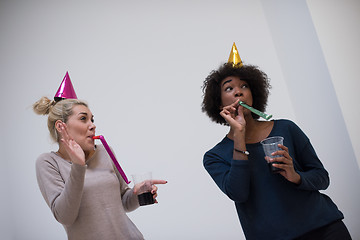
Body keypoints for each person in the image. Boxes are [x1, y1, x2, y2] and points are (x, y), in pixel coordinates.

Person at [201, 43, 352, 240]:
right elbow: (238, 194)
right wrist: (239, 135)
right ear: (220, 104)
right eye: (229, 88)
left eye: (244, 86)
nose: (239, 92)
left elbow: (322, 178)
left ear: (253, 94)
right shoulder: (214, 156)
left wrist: (295, 176)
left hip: (325, 229)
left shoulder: (286, 128)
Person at [33, 73, 167, 240]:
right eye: (83, 119)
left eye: (92, 119)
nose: (93, 125)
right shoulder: (48, 163)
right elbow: (65, 217)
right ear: (61, 127)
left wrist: (135, 193)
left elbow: (123, 203)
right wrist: (78, 166)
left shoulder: (104, 151)